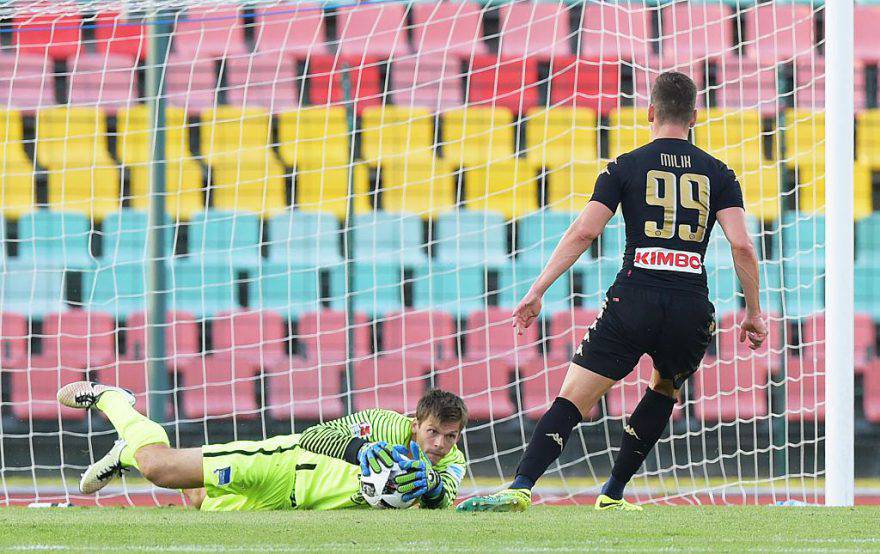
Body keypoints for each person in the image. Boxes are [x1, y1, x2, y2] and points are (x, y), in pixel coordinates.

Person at [457, 71, 768, 513]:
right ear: (695, 117)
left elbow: (585, 232)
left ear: (650, 112)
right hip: (689, 305)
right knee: (664, 389)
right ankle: (613, 493)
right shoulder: (719, 173)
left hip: (634, 297)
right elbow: (741, 244)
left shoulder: (624, 166)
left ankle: (522, 485)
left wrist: (538, 289)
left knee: (575, 396)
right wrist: (754, 311)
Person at [57, 381, 468, 511]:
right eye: (433, 432)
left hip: (290, 507)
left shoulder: (453, 461)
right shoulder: (384, 424)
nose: (439, 444)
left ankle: (124, 451)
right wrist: (358, 452)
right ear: (416, 424)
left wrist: (430, 487)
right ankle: (113, 400)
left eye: (450, 437)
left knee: (198, 500)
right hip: (283, 465)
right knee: (159, 470)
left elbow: (445, 494)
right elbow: (315, 436)